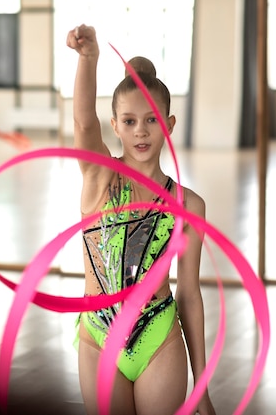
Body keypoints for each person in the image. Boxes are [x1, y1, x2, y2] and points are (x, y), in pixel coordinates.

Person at [66, 24, 216, 415]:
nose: (141, 131)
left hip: (159, 336)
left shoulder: (190, 205)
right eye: (129, 121)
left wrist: (201, 388)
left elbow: (188, 293)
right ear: (114, 126)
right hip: (100, 335)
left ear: (168, 123)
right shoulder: (99, 177)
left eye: (151, 120)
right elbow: (83, 124)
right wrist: (88, 59)